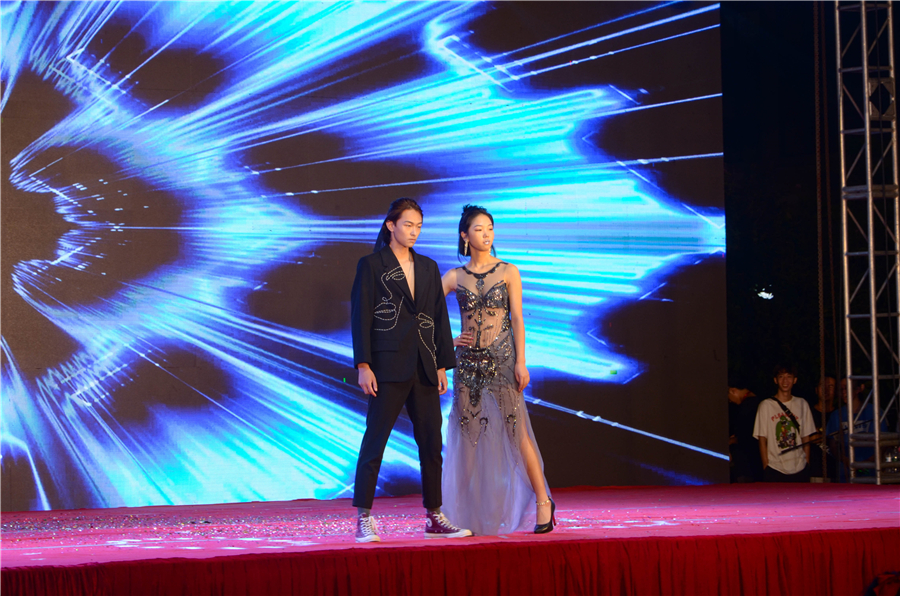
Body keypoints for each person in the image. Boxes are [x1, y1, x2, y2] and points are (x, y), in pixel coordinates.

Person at [350, 198, 472, 543]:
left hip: (424, 366)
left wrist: (441, 364)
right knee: (375, 442)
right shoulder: (371, 265)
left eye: (419, 226)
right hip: (387, 366)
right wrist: (364, 365)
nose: (414, 231)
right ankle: (364, 517)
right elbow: (361, 316)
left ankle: (434, 515)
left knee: (432, 443)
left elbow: (437, 317)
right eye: (408, 224)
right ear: (391, 225)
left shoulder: (429, 267)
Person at [440, 204, 555, 535]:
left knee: (517, 432)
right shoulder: (454, 276)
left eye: (490, 228)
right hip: (467, 365)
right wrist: (448, 342)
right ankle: (460, 513)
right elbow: (425, 312)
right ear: (465, 236)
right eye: (478, 229)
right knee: (468, 438)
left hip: (503, 360)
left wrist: (521, 361)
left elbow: (517, 318)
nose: (486, 234)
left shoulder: (508, 271)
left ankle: (543, 501)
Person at [753, 363, 816, 482]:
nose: (785, 381)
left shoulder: (802, 404)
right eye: (781, 377)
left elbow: (806, 436)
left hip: (799, 467)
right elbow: (762, 438)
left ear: (795, 380)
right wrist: (766, 465)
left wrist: (806, 461)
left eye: (789, 377)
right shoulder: (766, 405)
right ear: (775, 380)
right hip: (775, 467)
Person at [827, 377, 885, 482]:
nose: (843, 392)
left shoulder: (874, 411)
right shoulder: (836, 415)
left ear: (858, 389)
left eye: (847, 388)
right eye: (841, 389)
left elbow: (884, 442)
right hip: (845, 474)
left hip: (871, 472)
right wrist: (845, 460)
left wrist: (867, 462)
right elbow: (833, 445)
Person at [728, 378, 761, 483]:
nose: (730, 401)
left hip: (748, 463)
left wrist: (732, 441)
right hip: (756, 461)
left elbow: (746, 436)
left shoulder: (746, 407)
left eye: (729, 397)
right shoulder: (759, 402)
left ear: (733, 391)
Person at [806, 376, 837, 481]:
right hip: (814, 472)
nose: (826, 390)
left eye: (830, 386)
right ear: (816, 389)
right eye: (822, 385)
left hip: (836, 472)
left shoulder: (839, 415)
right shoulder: (808, 412)